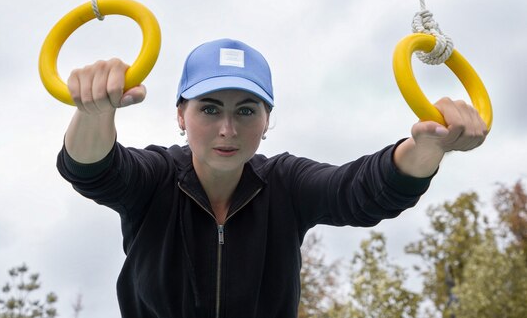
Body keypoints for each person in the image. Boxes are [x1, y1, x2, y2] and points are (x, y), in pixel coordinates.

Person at [56, 38, 487, 318]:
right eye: (209, 108)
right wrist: (93, 113)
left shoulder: (286, 183)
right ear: (180, 116)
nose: (228, 129)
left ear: (267, 121)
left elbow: (360, 192)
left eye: (246, 110)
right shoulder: (155, 178)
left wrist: (430, 145)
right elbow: (94, 170)